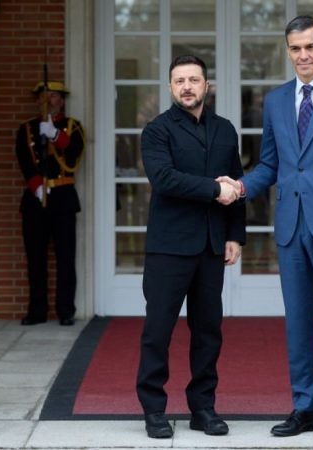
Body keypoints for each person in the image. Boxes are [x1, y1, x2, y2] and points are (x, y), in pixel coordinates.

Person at [220, 15, 313, 441]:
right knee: (297, 322)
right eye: (295, 48)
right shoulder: (276, 101)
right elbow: (271, 163)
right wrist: (240, 187)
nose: (303, 55)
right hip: (290, 226)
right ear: (287, 51)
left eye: (309, 46)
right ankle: (305, 407)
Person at [136, 55, 246, 439]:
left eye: (194, 80)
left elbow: (238, 183)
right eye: (179, 81)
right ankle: (154, 410)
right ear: (170, 87)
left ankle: (203, 408)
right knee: (158, 331)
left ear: (206, 85)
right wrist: (215, 190)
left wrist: (235, 235)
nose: (187, 87)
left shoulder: (225, 129)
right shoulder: (157, 130)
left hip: (211, 246)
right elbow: (164, 179)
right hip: (168, 247)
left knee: (208, 332)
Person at [15, 80, 85, 327]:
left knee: (65, 258)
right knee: (36, 258)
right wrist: (36, 185)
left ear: (61, 101)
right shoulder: (26, 129)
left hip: (63, 198)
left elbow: (74, 153)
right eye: (44, 96)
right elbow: (24, 159)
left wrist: (55, 135)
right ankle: (37, 311)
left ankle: (65, 310)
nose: (48, 100)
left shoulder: (72, 127)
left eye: (53, 96)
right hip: (36, 200)